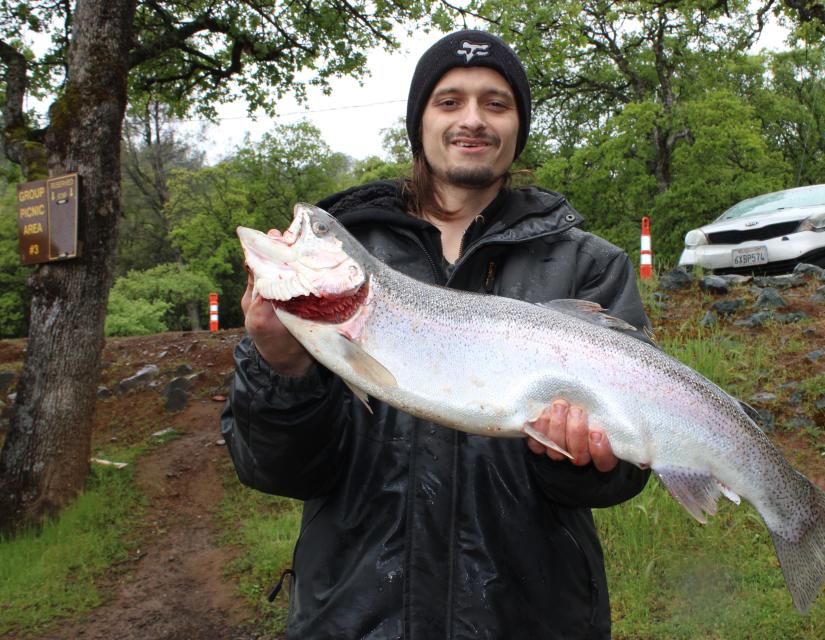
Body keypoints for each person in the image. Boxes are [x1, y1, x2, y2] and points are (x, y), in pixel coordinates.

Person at [222, 29, 653, 639]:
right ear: (419, 122)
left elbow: (624, 476)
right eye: (449, 101)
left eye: (495, 103)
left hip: (532, 617)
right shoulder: (348, 259)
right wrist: (280, 370)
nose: (472, 120)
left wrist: (577, 460)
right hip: (352, 617)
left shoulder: (590, 265)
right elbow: (276, 471)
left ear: (517, 126)